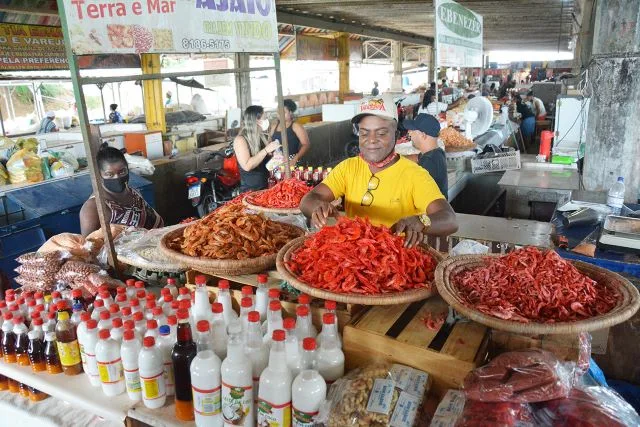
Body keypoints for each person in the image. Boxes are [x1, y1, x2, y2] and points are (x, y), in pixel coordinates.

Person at [300, 94, 458, 247]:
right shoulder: (348, 168)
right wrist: (318, 207)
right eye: (364, 133)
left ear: (396, 135)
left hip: (395, 260)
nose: (372, 140)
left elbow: (449, 219)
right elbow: (309, 199)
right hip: (354, 256)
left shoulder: (415, 175)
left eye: (381, 133)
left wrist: (421, 221)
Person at [80, 144, 163, 236]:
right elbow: (88, 246)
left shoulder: (133, 192)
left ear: (128, 169)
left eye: (122, 171)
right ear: (99, 175)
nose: (117, 177)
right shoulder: (93, 208)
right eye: (109, 174)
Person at [233, 105, 280, 192]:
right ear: (256, 120)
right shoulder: (241, 140)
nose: (267, 121)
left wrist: (276, 155)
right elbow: (247, 166)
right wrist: (266, 150)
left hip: (268, 185)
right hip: (251, 190)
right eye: (264, 118)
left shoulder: (264, 136)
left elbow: (268, 160)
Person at [403, 114, 448, 199]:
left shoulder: (428, 162)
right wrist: (393, 158)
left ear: (423, 135)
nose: (409, 133)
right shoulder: (437, 153)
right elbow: (416, 158)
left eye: (413, 130)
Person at [270, 99, 311, 166]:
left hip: (291, 160)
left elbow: (306, 144)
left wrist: (295, 159)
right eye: (278, 112)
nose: (280, 114)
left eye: (283, 112)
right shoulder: (274, 126)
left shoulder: (296, 126)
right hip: (276, 161)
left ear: (291, 112)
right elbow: (269, 142)